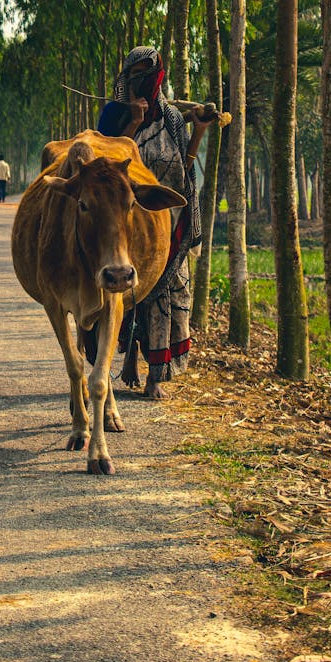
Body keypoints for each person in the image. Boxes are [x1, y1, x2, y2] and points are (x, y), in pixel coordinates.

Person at [98, 45, 210, 399]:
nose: (140, 81)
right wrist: (132, 120)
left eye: (147, 73)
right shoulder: (113, 116)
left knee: (164, 292)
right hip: (126, 218)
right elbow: (106, 165)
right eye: (134, 74)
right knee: (128, 291)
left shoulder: (173, 118)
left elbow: (185, 166)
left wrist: (200, 132)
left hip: (167, 215)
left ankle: (155, 377)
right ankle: (129, 356)